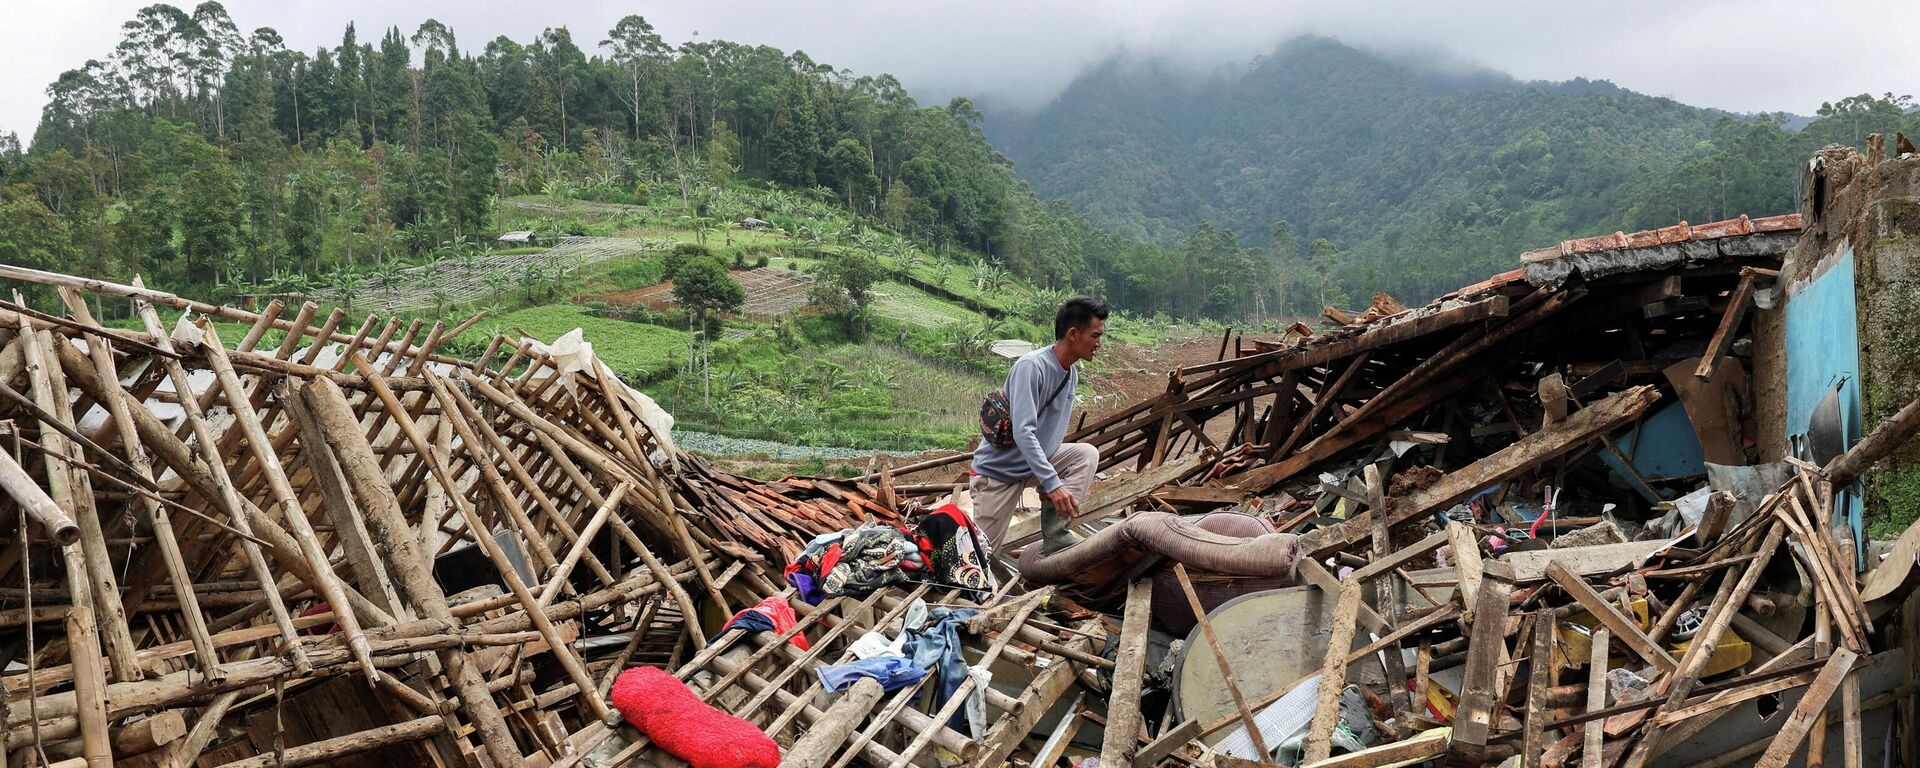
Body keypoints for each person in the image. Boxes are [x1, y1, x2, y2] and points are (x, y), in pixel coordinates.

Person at [970, 296, 1106, 555]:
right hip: (999, 474)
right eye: (1095, 335)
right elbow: (1023, 431)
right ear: (1073, 334)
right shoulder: (1032, 367)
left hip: (1032, 465)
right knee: (981, 558)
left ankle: (1056, 535)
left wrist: (1049, 483)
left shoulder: (1070, 373)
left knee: (1085, 454)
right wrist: (1053, 484)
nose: (1099, 344)